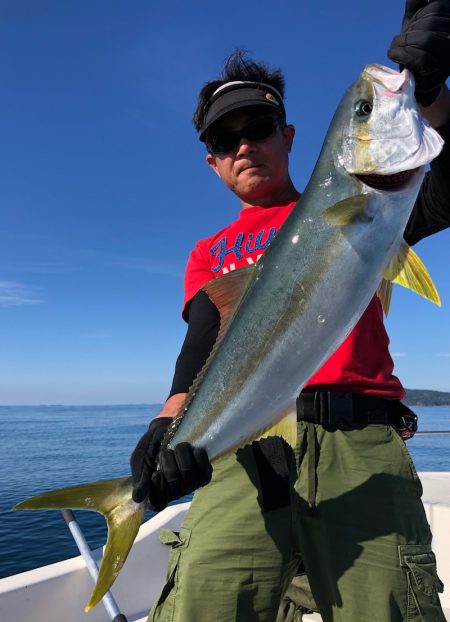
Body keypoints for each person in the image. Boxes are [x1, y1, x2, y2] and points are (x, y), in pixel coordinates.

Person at [130, 1, 450, 620]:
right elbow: (200, 349)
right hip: (244, 454)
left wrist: (431, 94)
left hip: (360, 441)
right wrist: (165, 429)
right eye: (226, 138)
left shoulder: (375, 205)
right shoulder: (210, 253)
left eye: (258, 127)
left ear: (290, 136)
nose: (244, 144)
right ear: (213, 161)